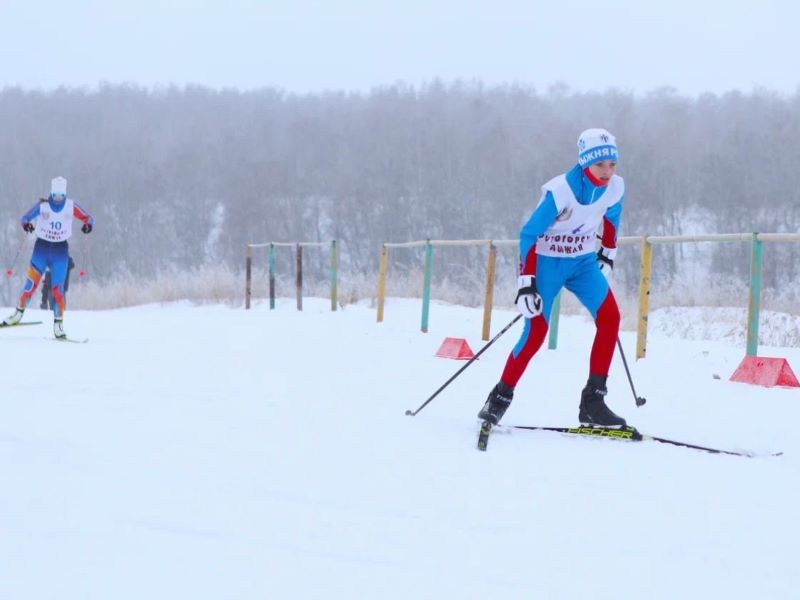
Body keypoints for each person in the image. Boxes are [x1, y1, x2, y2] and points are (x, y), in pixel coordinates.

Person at [478, 128, 626, 428]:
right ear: (586, 163)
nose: (608, 171)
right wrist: (527, 283)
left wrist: (607, 253)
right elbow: (529, 233)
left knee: (610, 318)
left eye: (612, 164)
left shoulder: (615, 187)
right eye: (601, 165)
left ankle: (593, 403)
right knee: (536, 332)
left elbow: (611, 218)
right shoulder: (562, 191)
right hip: (548, 263)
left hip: (583, 263)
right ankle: (499, 399)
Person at [2, 177, 94, 339]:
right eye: (55, 194)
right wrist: (27, 225)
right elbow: (25, 218)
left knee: (58, 291)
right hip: (41, 249)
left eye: (61, 195)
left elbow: (88, 218)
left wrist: (87, 225)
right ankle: (17, 315)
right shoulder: (43, 206)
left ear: (64, 194)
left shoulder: (70, 206)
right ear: (51, 192)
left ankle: (58, 325)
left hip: (60, 251)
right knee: (30, 285)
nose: (58, 198)